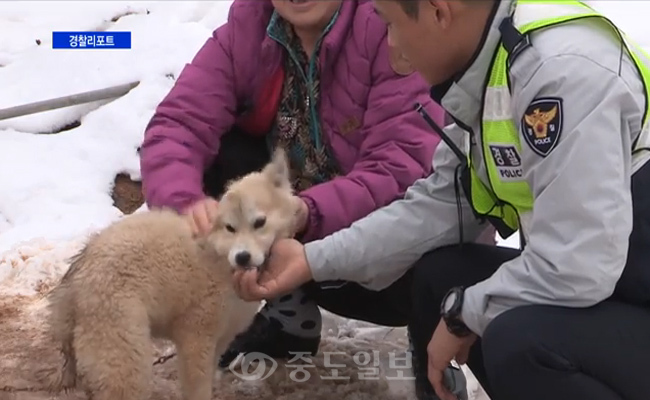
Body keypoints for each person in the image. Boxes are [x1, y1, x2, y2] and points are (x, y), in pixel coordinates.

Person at [232, 0, 650, 399]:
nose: (393, 48)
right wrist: (310, 260)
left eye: (391, 25)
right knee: (442, 274)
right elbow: (434, 211)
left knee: (519, 339)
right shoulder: (487, 69)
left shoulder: (559, 73)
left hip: (616, 285)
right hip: (618, 286)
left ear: (438, 11)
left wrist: (463, 312)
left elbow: (577, 264)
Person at [138, 0, 460, 376]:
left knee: (440, 253)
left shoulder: (393, 28)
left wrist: (307, 213)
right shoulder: (250, 27)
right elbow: (178, 123)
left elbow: (400, 168)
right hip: (290, 238)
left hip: (385, 256)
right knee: (224, 157)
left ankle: (435, 353)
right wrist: (186, 205)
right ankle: (290, 316)